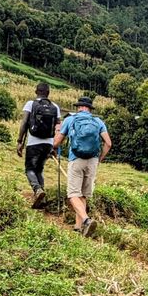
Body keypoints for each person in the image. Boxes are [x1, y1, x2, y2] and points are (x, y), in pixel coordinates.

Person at [53, 96, 112, 237]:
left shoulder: (70, 119)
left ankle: (86, 220)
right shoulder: (98, 121)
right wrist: (99, 159)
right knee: (83, 195)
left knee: (73, 194)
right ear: (90, 109)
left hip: (76, 159)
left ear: (79, 107)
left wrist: (54, 141)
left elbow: (57, 142)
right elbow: (108, 143)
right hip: (92, 161)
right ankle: (78, 228)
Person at [17, 82, 61, 209]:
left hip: (33, 143)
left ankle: (37, 190)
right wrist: (55, 146)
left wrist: (20, 142)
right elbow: (58, 127)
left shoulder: (31, 104)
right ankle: (41, 198)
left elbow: (24, 123)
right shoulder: (55, 107)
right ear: (48, 93)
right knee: (39, 169)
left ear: (36, 92)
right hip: (48, 144)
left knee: (30, 169)